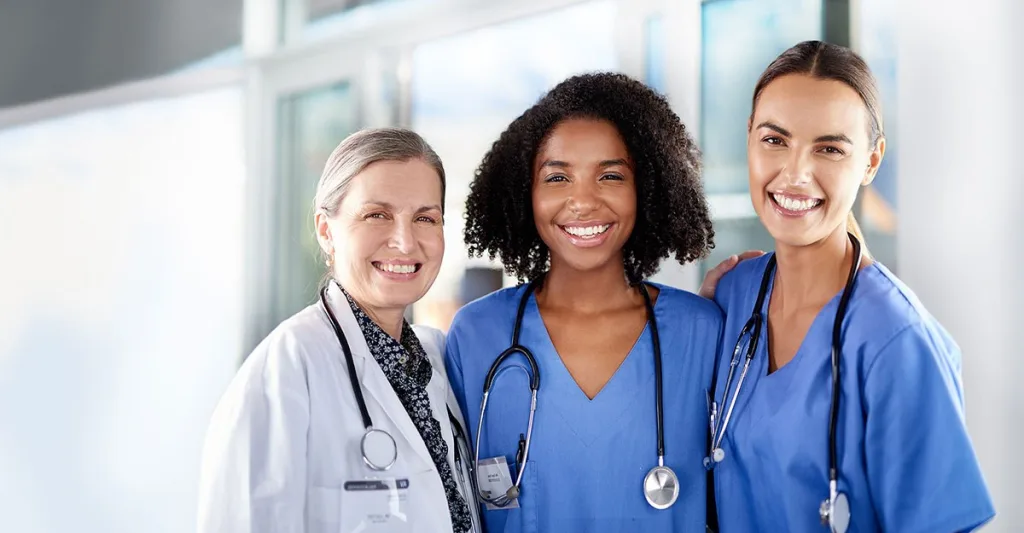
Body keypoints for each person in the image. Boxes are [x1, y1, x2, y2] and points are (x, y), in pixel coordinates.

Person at [701, 41, 995, 532]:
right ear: (749, 137)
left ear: (872, 161)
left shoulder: (896, 340)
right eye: (775, 140)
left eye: (830, 148)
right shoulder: (731, 297)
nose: (794, 174)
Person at [445, 72, 723, 533]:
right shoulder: (477, 335)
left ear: (649, 188)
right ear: (524, 193)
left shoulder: (701, 331)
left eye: (610, 175)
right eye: (557, 177)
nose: (583, 201)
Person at [196, 128, 481, 533]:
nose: (404, 241)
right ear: (326, 231)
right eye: (377, 215)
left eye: (425, 218)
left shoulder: (437, 360)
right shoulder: (285, 371)